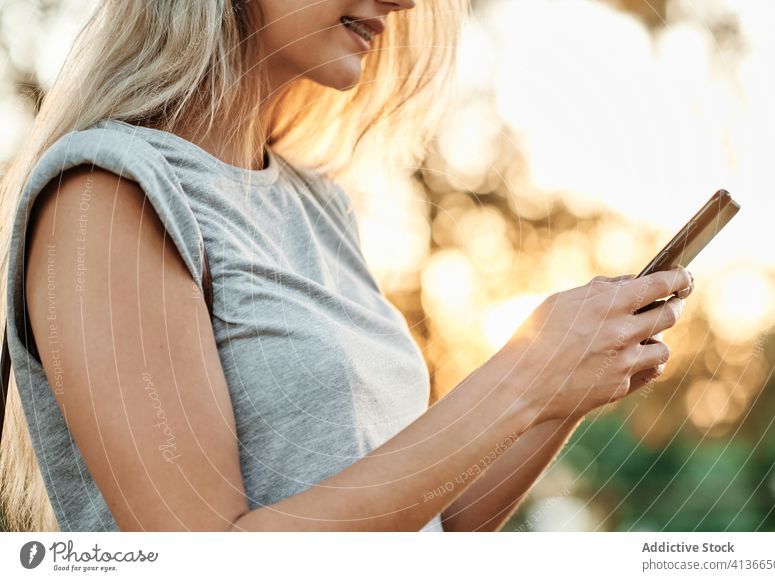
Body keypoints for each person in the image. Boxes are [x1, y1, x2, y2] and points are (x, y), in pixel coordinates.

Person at [0, 0, 692, 532]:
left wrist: (555, 396)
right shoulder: (106, 196)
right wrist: (525, 378)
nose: (406, 3)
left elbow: (426, 524)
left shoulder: (317, 205)